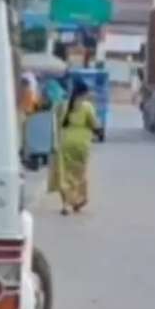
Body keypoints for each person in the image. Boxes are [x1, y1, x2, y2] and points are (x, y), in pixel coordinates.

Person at [50, 79, 100, 215]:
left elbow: (57, 121)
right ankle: (79, 200)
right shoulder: (87, 107)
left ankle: (65, 205)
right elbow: (95, 125)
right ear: (84, 93)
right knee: (79, 175)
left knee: (64, 175)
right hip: (81, 145)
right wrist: (96, 132)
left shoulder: (64, 105)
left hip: (65, 142)